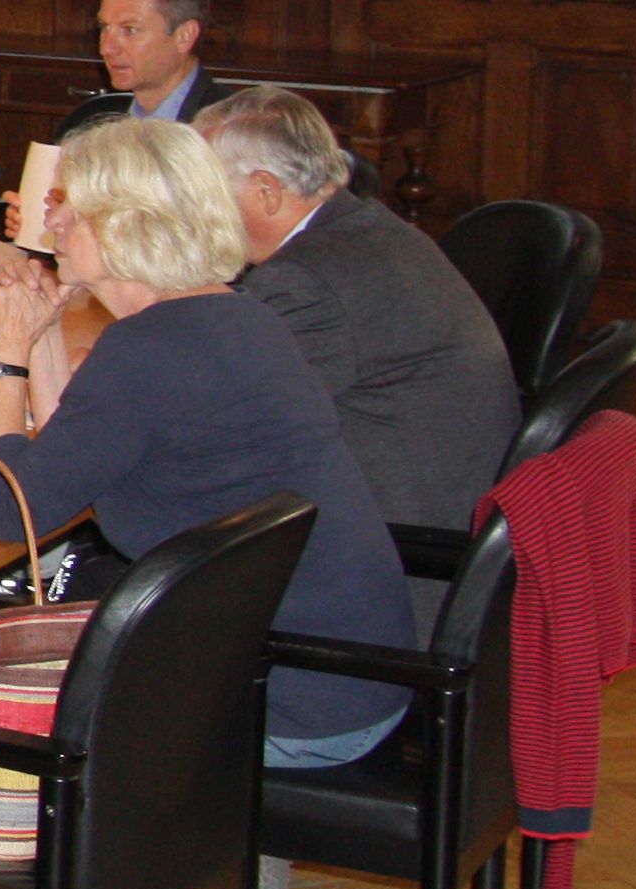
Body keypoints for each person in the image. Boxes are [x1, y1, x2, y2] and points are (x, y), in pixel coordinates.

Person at [0, 117, 416, 889]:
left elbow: (12, 503)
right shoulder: (226, 318)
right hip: (349, 655)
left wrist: (8, 359)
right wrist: (49, 335)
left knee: (18, 701)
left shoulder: (154, 350)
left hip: (297, 691)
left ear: (127, 225)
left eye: (72, 205)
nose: (53, 216)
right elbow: (79, 454)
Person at [196, 87, 520, 603]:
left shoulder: (307, 281)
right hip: (439, 536)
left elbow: (205, 428)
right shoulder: (364, 231)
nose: (189, 209)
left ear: (266, 192)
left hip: (396, 576)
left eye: (200, 190)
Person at [59, 0, 239, 135]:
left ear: (184, 36)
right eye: (104, 27)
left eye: (130, 30)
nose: (106, 48)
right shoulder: (87, 122)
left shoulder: (230, 130)